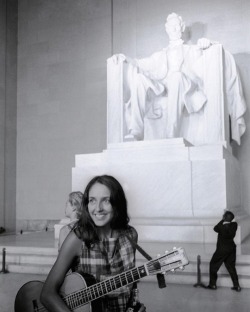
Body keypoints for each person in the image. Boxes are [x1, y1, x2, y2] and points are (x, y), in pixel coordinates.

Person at [41, 175, 146, 312]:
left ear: (118, 202)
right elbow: (47, 294)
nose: (98, 208)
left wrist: (133, 307)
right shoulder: (77, 239)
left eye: (106, 200)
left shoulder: (130, 235)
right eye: (92, 200)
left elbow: (130, 283)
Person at [111, 12, 211, 140]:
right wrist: (125, 58)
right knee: (138, 79)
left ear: (182, 27)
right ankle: (136, 130)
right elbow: (140, 63)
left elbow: (209, 54)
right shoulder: (161, 55)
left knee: (176, 77)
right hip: (163, 88)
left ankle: (171, 133)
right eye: (171, 26)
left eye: (176, 26)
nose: (174, 29)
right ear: (166, 29)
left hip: (183, 85)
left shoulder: (192, 50)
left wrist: (207, 43)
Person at [207, 210, 241, 291]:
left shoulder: (221, 227)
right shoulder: (234, 225)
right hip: (231, 249)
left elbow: (215, 228)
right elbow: (228, 224)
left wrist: (223, 220)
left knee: (213, 264)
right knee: (231, 267)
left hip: (222, 249)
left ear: (225, 218)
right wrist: (226, 219)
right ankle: (237, 286)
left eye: (224, 216)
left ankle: (212, 284)